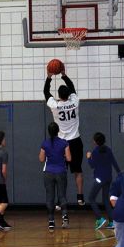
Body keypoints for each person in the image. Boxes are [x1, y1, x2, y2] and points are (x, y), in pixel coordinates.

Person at [43, 64, 85, 206]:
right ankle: (80, 197)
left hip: (61, 142)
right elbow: (72, 87)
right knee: (78, 170)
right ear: (69, 95)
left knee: (61, 172)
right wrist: (63, 74)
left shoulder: (55, 105)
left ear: (59, 96)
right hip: (75, 141)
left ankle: (61, 201)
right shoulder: (75, 102)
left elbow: (46, 92)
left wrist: (49, 76)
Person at [39, 122, 71, 231]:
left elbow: (41, 159)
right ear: (58, 131)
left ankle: (51, 221)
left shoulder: (45, 143)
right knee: (62, 195)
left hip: (48, 172)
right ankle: (65, 216)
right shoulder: (64, 143)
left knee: (50, 196)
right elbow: (69, 158)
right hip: (61, 171)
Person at [86, 132, 121, 230]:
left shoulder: (95, 152)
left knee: (91, 198)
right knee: (105, 199)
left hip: (99, 179)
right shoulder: (108, 150)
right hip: (108, 178)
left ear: (95, 142)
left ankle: (99, 218)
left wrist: (89, 158)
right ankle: (112, 221)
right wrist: (119, 173)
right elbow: (114, 162)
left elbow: (92, 165)